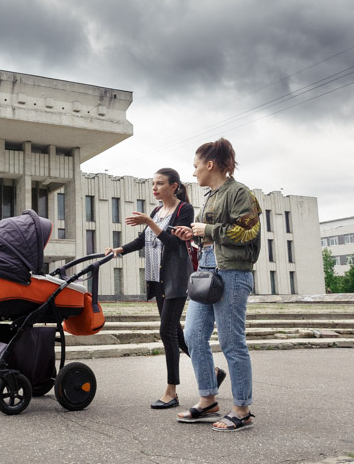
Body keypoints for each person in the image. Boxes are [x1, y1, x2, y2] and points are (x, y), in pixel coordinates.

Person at [106, 168, 224, 409]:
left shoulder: (184, 210)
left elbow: (171, 242)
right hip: (157, 279)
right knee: (176, 332)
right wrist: (120, 249)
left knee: (166, 331)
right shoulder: (157, 210)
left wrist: (150, 222)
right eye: (153, 184)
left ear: (174, 186)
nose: (155, 188)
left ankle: (172, 392)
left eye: (160, 183)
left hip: (176, 278)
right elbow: (143, 240)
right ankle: (213, 372)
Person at [171, 138, 261, 432]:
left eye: (196, 166)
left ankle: (242, 409)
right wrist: (194, 235)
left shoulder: (240, 193)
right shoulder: (211, 196)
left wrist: (206, 229)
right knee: (193, 334)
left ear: (210, 165)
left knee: (231, 342)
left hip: (233, 273)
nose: (193, 172)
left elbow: (247, 232)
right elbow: (210, 236)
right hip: (208, 270)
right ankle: (208, 399)